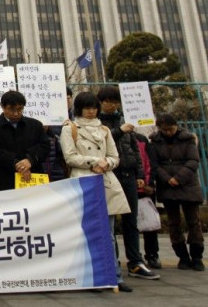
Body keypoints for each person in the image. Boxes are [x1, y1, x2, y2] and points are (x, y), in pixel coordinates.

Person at [60, 91, 133, 292]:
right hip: (83, 180)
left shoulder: (105, 130)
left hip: (106, 181)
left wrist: (106, 163)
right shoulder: (70, 129)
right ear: (79, 109)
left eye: (94, 107)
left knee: (108, 233)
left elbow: (114, 156)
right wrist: (93, 163)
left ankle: (114, 275)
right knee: (87, 231)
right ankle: (92, 275)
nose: (91, 111)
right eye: (87, 108)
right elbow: (70, 157)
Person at [97, 86, 159, 280]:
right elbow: (100, 143)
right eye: (108, 101)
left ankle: (135, 261)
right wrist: (118, 131)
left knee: (131, 220)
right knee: (110, 221)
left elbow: (134, 148)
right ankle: (112, 261)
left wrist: (139, 173)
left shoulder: (125, 118)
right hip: (110, 174)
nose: (112, 105)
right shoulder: (96, 122)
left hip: (128, 174)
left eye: (115, 101)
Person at [150, 113, 205, 271]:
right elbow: (155, 164)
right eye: (164, 130)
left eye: (171, 129)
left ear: (176, 125)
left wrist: (179, 178)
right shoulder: (155, 141)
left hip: (187, 184)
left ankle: (197, 256)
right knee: (174, 223)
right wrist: (167, 179)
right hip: (167, 184)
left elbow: (193, 161)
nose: (168, 132)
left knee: (194, 222)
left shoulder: (188, 138)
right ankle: (182, 256)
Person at [0, 90, 50, 192]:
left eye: (20, 109)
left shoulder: (35, 125)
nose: (16, 113)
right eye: (11, 110)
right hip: (3, 182)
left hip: (33, 179)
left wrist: (30, 159)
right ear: (2, 107)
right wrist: (17, 164)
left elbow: (44, 146)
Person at [135, 131, 161, 269]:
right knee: (130, 226)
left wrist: (149, 183)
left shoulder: (141, 139)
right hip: (126, 187)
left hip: (144, 188)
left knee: (149, 224)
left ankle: (152, 255)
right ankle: (134, 257)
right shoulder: (114, 136)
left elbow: (151, 162)